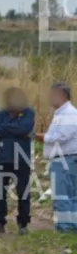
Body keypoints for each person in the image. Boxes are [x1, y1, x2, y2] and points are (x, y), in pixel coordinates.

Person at [0, 87, 34, 236]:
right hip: (2, 159)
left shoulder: (28, 113)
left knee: (23, 193)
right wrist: (15, 129)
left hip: (21, 160)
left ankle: (23, 224)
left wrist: (7, 128)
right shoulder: (1, 114)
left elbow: (24, 129)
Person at [36, 83, 77, 233]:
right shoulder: (60, 114)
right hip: (65, 159)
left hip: (64, 159)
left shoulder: (69, 114)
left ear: (63, 95)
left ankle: (65, 228)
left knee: (63, 195)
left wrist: (42, 137)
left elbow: (62, 136)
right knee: (70, 195)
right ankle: (71, 226)